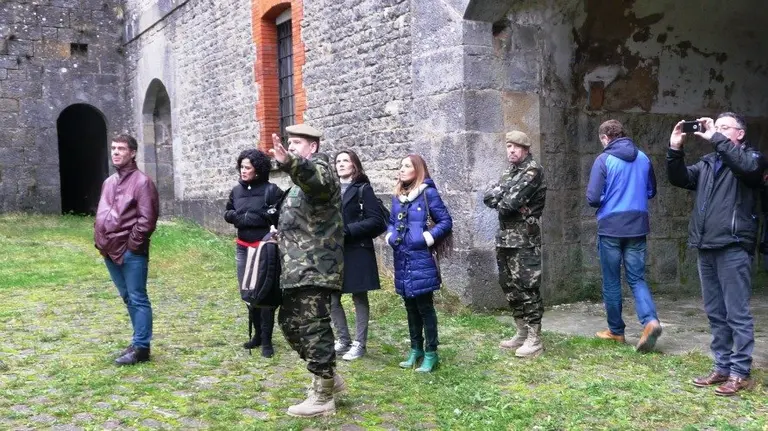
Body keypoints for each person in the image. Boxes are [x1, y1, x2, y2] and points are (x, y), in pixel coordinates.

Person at [667, 113, 763, 396]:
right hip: (706, 246)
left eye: (723, 128)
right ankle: (722, 367)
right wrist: (675, 149)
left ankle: (740, 372)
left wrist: (717, 139)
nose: (715, 131)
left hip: (734, 246)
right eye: (715, 127)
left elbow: (745, 167)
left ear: (740, 134)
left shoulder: (753, 159)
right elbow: (680, 178)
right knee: (715, 312)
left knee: (737, 313)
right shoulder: (709, 163)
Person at [269, 124, 346, 417]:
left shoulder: (321, 168)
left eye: (297, 143)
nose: (291, 147)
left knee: (313, 326)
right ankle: (329, 376)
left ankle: (323, 395)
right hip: (297, 266)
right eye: (290, 143)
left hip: (317, 266)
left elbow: (316, 182)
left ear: (312, 146)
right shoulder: (298, 181)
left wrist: (291, 163)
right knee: (289, 321)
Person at [586, 120, 662, 352]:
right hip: (638, 225)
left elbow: (593, 197)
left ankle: (616, 331)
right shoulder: (643, 158)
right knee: (637, 278)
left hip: (611, 226)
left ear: (605, 138)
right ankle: (650, 321)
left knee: (611, 280)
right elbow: (651, 191)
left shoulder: (604, 160)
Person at [94, 134, 159, 366]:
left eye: (121, 148)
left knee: (138, 297)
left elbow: (147, 220)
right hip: (109, 250)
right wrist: (101, 240)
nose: (116, 152)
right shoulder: (109, 182)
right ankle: (137, 340)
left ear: (132, 153)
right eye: (113, 148)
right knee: (127, 297)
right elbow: (104, 212)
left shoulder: (142, 182)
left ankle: (142, 348)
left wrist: (132, 245)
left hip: (131, 252)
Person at [385, 154, 453, 372]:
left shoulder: (427, 193)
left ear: (418, 170)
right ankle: (416, 349)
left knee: (424, 306)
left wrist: (426, 238)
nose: (402, 170)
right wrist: (390, 236)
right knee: (409, 306)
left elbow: (445, 221)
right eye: (401, 166)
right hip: (402, 257)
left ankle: (431, 353)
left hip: (421, 258)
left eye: (407, 166)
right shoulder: (397, 196)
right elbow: (391, 222)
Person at [483, 131, 547, 358]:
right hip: (505, 239)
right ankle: (520, 331)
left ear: (526, 149)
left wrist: (503, 196)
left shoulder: (533, 171)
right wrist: (504, 196)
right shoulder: (509, 172)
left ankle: (535, 338)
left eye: (516, 147)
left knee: (527, 287)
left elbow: (508, 204)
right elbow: (488, 197)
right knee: (509, 286)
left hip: (524, 240)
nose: (511, 150)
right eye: (509, 146)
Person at [224, 149, 283, 358]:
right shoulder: (236, 191)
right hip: (242, 247)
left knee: (265, 293)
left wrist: (251, 217)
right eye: (241, 167)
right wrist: (243, 217)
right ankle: (257, 335)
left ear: (258, 169)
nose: (243, 171)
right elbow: (228, 213)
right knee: (248, 292)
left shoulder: (272, 190)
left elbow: (276, 216)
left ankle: (267, 340)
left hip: (263, 248)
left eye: (247, 167)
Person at [331, 150, 387, 361]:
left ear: (355, 165)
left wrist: (348, 230)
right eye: (338, 161)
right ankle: (342, 339)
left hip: (357, 249)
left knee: (358, 296)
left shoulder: (364, 189)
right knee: (332, 295)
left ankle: (359, 343)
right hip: (334, 250)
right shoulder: (331, 190)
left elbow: (376, 221)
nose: (341, 164)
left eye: (346, 160)